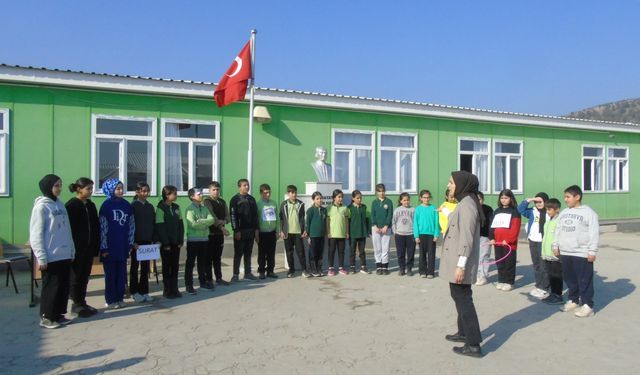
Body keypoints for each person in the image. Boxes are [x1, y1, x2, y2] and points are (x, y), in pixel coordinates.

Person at [441, 170, 484, 358]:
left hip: (460, 263)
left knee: (464, 299)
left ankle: (473, 344)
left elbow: (466, 237)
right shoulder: (464, 203)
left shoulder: (466, 205)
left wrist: (461, 265)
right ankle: (463, 332)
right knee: (459, 296)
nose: (449, 185)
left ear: (462, 185)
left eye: (451, 182)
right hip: (458, 261)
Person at [30, 174, 75, 329]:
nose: (59, 188)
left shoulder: (60, 205)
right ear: (48, 186)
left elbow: (67, 230)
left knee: (63, 286)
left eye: (60, 185)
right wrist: (41, 257)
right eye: (56, 185)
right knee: (51, 287)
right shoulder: (41, 207)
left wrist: (71, 249)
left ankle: (59, 314)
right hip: (51, 255)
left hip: (64, 254)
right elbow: (36, 234)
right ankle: (47, 316)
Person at [554, 185, 599, 318]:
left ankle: (588, 305)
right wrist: (555, 245)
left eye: (568, 196)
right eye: (565, 197)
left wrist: (592, 251)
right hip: (566, 252)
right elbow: (558, 230)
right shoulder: (564, 212)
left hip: (581, 252)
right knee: (570, 279)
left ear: (577, 197)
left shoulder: (588, 213)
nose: (565, 199)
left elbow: (594, 232)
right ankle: (574, 300)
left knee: (584, 280)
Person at [65, 177, 100, 317]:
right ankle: (76, 304)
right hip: (76, 249)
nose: (91, 191)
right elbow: (69, 230)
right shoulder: (71, 206)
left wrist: (96, 246)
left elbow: (96, 227)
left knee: (85, 276)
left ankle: (82, 301)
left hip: (89, 248)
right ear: (79, 189)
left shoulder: (91, 205)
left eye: (92, 188)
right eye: (88, 188)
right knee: (76, 276)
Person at [99, 178, 135, 309]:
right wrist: (104, 247)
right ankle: (110, 299)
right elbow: (103, 228)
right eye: (117, 188)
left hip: (122, 245)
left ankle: (120, 297)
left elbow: (131, 225)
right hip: (110, 246)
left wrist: (130, 243)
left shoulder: (126, 205)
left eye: (121, 188)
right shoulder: (106, 205)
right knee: (110, 274)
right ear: (111, 189)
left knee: (121, 274)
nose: (120, 191)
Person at [518, 192, 550, 299]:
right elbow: (520, 210)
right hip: (533, 240)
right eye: (536, 202)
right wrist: (530, 199)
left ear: (545, 201)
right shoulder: (532, 211)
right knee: (536, 264)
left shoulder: (549, 212)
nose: (538, 204)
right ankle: (539, 285)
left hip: (544, 241)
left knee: (544, 266)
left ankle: (545, 288)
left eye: (540, 201)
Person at [489, 189, 521, 292]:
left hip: (508, 244)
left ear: (511, 199)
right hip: (498, 243)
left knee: (509, 263)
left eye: (506, 198)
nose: (503, 200)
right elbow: (492, 226)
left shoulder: (514, 212)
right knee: (500, 262)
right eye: (502, 198)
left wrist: (508, 240)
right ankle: (501, 280)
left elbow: (515, 228)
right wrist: (492, 238)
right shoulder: (497, 211)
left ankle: (509, 282)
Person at [184, 188, 215, 294]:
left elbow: (212, 220)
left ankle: (203, 282)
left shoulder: (204, 208)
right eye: (199, 194)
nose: (201, 195)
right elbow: (191, 224)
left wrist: (201, 221)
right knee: (190, 263)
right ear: (192, 196)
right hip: (193, 240)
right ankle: (189, 285)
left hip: (204, 239)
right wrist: (204, 225)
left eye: (201, 193)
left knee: (202, 262)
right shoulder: (189, 209)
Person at [156, 185, 184, 299]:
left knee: (175, 266)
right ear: (167, 195)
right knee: (166, 267)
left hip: (176, 242)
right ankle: (167, 290)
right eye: (174, 193)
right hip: (166, 244)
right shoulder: (160, 208)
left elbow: (180, 224)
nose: (176, 195)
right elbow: (160, 226)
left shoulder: (176, 207)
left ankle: (175, 288)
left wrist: (180, 239)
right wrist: (165, 243)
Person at [230, 178, 259, 281]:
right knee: (238, 253)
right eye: (245, 185)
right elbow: (233, 216)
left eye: (248, 185)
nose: (247, 187)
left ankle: (247, 273)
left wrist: (256, 230)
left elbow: (255, 216)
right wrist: (236, 230)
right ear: (239, 187)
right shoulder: (235, 199)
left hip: (250, 231)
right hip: (240, 231)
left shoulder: (252, 199)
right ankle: (235, 274)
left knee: (248, 253)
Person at [130, 182, 155, 303]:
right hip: (136, 242)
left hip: (147, 241)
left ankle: (144, 291)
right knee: (135, 267)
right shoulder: (133, 206)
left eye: (147, 191)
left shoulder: (150, 207)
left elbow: (153, 224)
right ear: (137, 192)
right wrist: (132, 241)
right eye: (143, 191)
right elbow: (130, 225)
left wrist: (154, 240)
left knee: (145, 268)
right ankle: (134, 292)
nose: (145, 193)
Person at [203, 181, 231, 286]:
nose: (216, 192)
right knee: (208, 258)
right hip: (210, 234)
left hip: (219, 235)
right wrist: (221, 227)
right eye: (213, 190)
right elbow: (212, 216)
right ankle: (209, 280)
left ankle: (219, 278)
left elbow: (228, 216)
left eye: (217, 189)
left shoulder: (222, 202)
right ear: (209, 191)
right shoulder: (207, 201)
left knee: (217, 257)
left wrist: (225, 221)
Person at [279, 185, 309, 278]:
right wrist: (281, 230)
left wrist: (304, 230)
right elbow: (281, 219)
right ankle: (291, 270)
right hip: (287, 233)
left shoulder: (301, 204)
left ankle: (304, 270)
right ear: (288, 194)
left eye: (295, 192)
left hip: (298, 233)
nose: (294, 194)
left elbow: (302, 218)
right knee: (289, 252)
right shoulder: (283, 204)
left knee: (301, 252)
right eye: (292, 192)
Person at [540, 198, 563, 305]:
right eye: (547, 209)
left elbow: (559, 237)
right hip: (547, 253)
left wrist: (557, 248)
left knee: (556, 275)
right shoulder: (549, 220)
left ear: (557, 209)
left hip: (555, 254)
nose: (548, 212)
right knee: (550, 275)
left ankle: (558, 295)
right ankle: (553, 293)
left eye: (550, 209)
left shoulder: (559, 221)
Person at [413, 189, 439, 279]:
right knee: (422, 254)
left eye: (428, 197)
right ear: (421, 198)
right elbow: (415, 223)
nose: (426, 199)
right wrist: (416, 236)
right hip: (421, 234)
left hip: (431, 235)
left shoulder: (433, 208)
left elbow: (436, 222)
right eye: (424, 197)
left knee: (431, 254)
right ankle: (422, 271)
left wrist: (436, 234)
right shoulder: (418, 209)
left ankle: (431, 272)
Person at [256, 184, 279, 279]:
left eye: (269, 192)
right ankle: (261, 271)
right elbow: (256, 220)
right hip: (262, 233)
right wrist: (256, 233)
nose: (268, 194)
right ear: (261, 193)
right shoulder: (258, 204)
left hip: (272, 232)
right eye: (265, 193)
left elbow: (277, 218)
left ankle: (270, 271)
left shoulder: (273, 203)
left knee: (271, 253)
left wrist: (277, 230)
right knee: (262, 253)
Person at [327, 189, 350, 276]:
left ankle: (341, 268)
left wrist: (347, 232)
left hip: (342, 234)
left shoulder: (345, 208)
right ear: (334, 198)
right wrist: (328, 232)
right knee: (331, 251)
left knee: (341, 251)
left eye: (341, 197)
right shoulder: (329, 208)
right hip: (332, 235)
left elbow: (347, 220)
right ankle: (330, 268)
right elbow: (327, 221)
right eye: (339, 197)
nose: (341, 199)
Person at [371, 183, 393, 275]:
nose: (381, 193)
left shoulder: (389, 202)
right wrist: (375, 225)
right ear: (377, 192)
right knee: (377, 248)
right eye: (379, 191)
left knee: (385, 248)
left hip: (386, 228)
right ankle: (378, 266)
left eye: (383, 191)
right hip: (375, 228)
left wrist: (386, 226)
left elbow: (389, 214)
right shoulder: (374, 202)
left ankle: (385, 267)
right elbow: (373, 215)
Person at [347, 190, 370, 274]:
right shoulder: (349, 208)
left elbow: (367, 220)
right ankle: (352, 266)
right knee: (352, 250)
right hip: (352, 233)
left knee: (362, 251)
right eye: (357, 198)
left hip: (362, 233)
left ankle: (363, 266)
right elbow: (347, 221)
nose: (359, 199)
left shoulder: (364, 207)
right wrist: (347, 233)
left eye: (360, 198)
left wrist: (367, 231)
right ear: (353, 198)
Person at [393, 192, 415, 276]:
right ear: (401, 201)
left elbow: (415, 222)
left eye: (408, 200)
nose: (406, 202)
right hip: (399, 235)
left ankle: (409, 268)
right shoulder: (397, 210)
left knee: (410, 253)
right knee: (400, 253)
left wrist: (415, 233)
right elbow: (393, 222)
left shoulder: (413, 210)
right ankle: (401, 268)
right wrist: (395, 232)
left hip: (411, 234)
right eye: (404, 200)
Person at [305, 191, 327, 277]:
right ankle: (313, 269)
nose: (319, 200)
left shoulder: (324, 210)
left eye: (320, 198)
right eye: (317, 199)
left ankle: (319, 269)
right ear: (313, 200)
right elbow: (308, 223)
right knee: (313, 253)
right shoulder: (310, 210)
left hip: (321, 236)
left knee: (320, 253)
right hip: (313, 236)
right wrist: (308, 235)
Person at [475, 192, 494, 286]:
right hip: (473, 236)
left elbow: (491, 224)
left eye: (479, 199)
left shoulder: (488, 209)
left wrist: (492, 237)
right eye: (476, 199)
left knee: (484, 256)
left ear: (482, 199)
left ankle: (483, 276)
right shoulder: (471, 209)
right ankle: (476, 275)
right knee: (475, 257)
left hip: (485, 236)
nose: (478, 202)